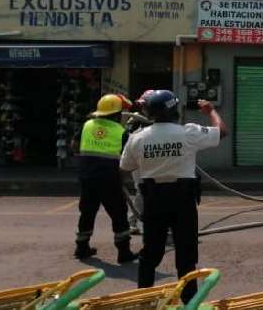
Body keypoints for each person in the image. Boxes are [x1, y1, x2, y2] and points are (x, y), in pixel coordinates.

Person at [120, 90, 227, 303]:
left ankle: (144, 300)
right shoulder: (188, 133)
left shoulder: (137, 138)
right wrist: (211, 111)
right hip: (182, 200)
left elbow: (124, 169)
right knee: (186, 256)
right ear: (173, 110)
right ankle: (189, 302)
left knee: (150, 254)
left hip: (153, 200)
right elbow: (221, 131)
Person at [73, 94, 139, 263]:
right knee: (119, 214)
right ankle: (123, 252)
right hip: (109, 180)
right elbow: (129, 158)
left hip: (86, 177)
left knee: (87, 212)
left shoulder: (87, 125)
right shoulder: (121, 132)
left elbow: (74, 145)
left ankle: (81, 248)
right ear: (118, 114)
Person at [125, 90, 155, 235]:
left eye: (145, 105)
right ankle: (133, 221)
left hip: (156, 153)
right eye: (142, 105)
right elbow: (127, 135)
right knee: (141, 188)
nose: (143, 108)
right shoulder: (135, 119)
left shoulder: (163, 117)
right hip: (140, 154)